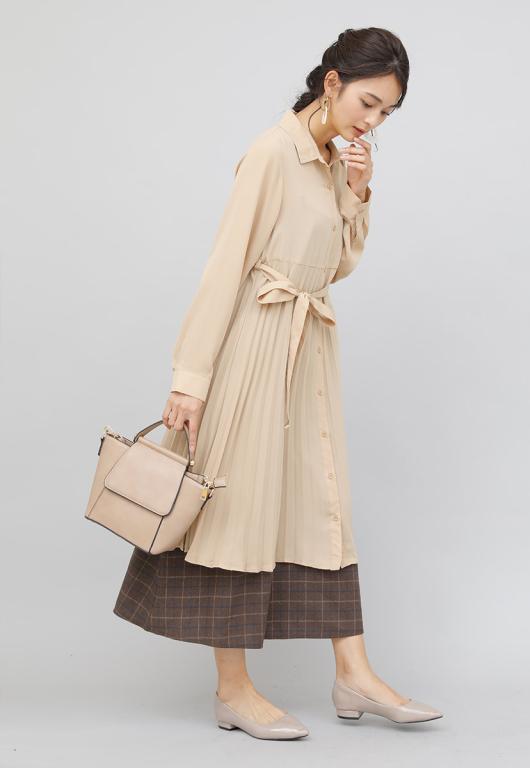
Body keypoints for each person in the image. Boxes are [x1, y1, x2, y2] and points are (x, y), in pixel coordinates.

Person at [113, 26, 443, 740]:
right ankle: (233, 690)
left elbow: (336, 265)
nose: (374, 121)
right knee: (238, 509)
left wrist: (357, 190)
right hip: (254, 348)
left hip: (309, 347)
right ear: (332, 82)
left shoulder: (333, 161)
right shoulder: (271, 153)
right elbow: (225, 266)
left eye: (387, 113)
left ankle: (354, 675)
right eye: (368, 102)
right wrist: (190, 378)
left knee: (323, 503)